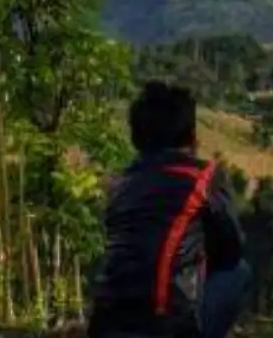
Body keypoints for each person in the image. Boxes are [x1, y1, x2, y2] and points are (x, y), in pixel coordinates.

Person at [89, 82, 249, 338]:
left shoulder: (120, 185)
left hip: (106, 324)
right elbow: (232, 248)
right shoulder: (204, 177)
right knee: (238, 271)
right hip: (166, 326)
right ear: (190, 135)